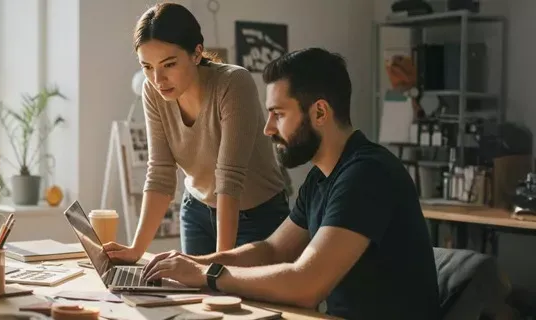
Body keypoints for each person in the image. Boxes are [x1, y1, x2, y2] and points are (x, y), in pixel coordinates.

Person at [138, 48, 440, 320]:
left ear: (319, 112)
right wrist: (189, 263)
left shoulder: (367, 174)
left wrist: (208, 274)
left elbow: (305, 284)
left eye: (278, 115)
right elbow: (272, 250)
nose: (268, 129)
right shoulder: (322, 176)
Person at [104, 2, 292, 262]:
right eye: (147, 67)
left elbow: (229, 179)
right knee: (196, 298)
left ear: (196, 53)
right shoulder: (153, 92)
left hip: (257, 215)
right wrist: (136, 250)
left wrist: (218, 265)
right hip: (197, 211)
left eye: (169, 64)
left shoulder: (233, 84)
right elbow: (160, 172)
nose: (158, 79)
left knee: (238, 298)